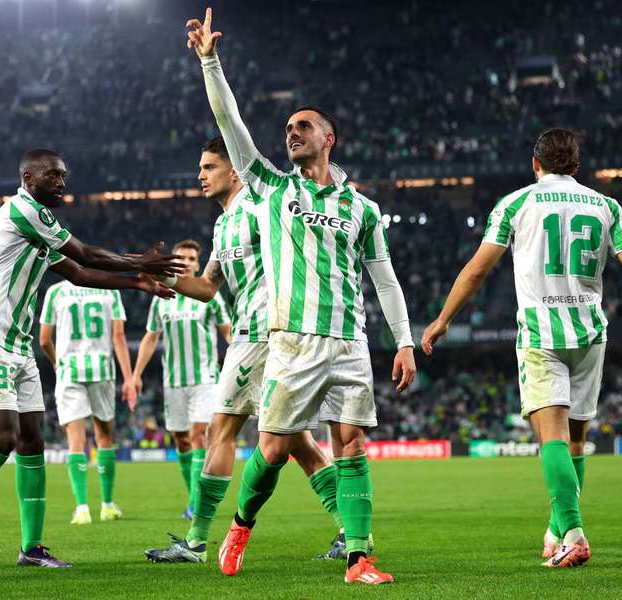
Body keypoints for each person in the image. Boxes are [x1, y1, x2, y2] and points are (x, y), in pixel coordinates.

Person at [186, 9, 416, 585]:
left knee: (352, 443)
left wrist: (405, 341)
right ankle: (240, 525)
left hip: (350, 341)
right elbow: (231, 121)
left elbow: (384, 278)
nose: (292, 132)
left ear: (328, 139)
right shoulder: (269, 187)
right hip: (291, 340)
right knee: (271, 447)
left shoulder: (360, 208)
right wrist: (210, 62)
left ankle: (360, 558)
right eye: (288, 127)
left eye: (304, 126)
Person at [421, 128, 622, 568]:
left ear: (535, 162)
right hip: (590, 333)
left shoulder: (516, 203)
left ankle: (575, 533)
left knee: (551, 441)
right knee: (575, 442)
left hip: (543, 336)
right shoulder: (606, 206)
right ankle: (557, 527)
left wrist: (443, 319)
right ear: (576, 166)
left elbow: (477, 270)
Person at [0, 148, 182, 570]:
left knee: (33, 439)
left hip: (18, 344)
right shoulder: (22, 210)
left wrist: (138, 282)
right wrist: (140, 260)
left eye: (64, 175)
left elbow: (80, 273)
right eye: (54, 175)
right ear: (29, 176)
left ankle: (31, 548)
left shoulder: (36, 228)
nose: (61, 182)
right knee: (3, 437)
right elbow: (86, 253)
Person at [144, 137, 350, 565]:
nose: (200, 175)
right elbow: (206, 287)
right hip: (247, 338)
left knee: (222, 431)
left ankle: (197, 541)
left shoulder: (262, 210)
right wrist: (164, 277)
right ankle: (350, 532)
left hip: (267, 336)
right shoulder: (222, 226)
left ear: (234, 171)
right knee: (297, 444)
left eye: (209, 167)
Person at [132, 239, 232, 519]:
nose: (186, 262)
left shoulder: (210, 297)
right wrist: (136, 375)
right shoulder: (162, 296)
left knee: (198, 434)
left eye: (191, 258)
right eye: (181, 258)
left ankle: (195, 503)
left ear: (198, 264)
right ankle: (193, 497)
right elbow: (151, 338)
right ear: (172, 261)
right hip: (173, 381)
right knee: (181, 440)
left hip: (205, 378)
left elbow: (228, 332)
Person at [39, 280, 136, 525]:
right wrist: (129, 378)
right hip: (101, 370)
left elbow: (43, 340)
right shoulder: (109, 289)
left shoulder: (56, 291)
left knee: (76, 440)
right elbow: (118, 335)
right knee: (104, 436)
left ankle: (82, 508)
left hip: (69, 371)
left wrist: (57, 363)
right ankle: (107, 505)